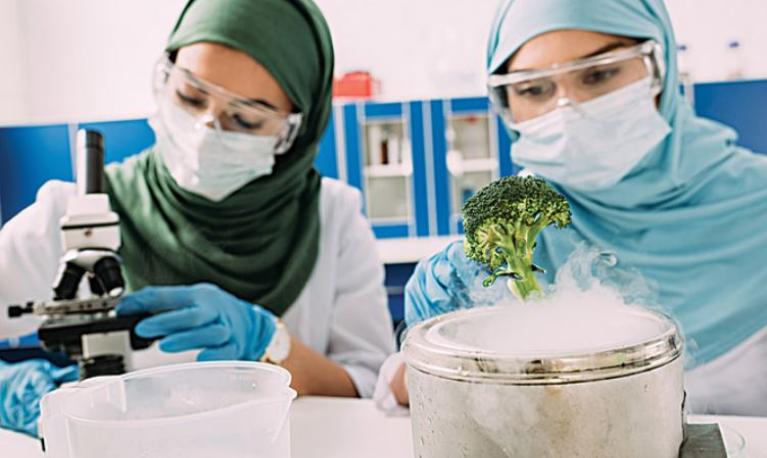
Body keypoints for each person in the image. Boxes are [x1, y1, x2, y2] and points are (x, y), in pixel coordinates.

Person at [0, 0, 395, 436]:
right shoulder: (76, 211)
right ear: (164, 78)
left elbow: (369, 386)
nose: (206, 131)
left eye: (245, 119)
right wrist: (14, 390)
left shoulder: (334, 217)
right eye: (190, 96)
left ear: (294, 132)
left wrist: (269, 342)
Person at [376, 0, 767, 416]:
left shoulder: (757, 204)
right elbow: (418, 410)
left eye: (599, 74)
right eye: (534, 88)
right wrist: (431, 362)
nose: (567, 108)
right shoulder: (515, 235)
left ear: (660, 66)